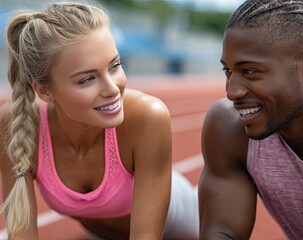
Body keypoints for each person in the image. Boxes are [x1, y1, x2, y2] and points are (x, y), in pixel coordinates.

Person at [0, 2, 199, 239]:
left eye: (115, 65)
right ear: (44, 92)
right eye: (87, 79)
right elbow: (20, 233)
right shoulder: (16, 124)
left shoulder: (149, 115)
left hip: (185, 228)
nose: (113, 88)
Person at [199, 0, 303, 239]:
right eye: (227, 71)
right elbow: (223, 231)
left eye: (249, 71)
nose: (232, 92)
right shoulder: (230, 128)